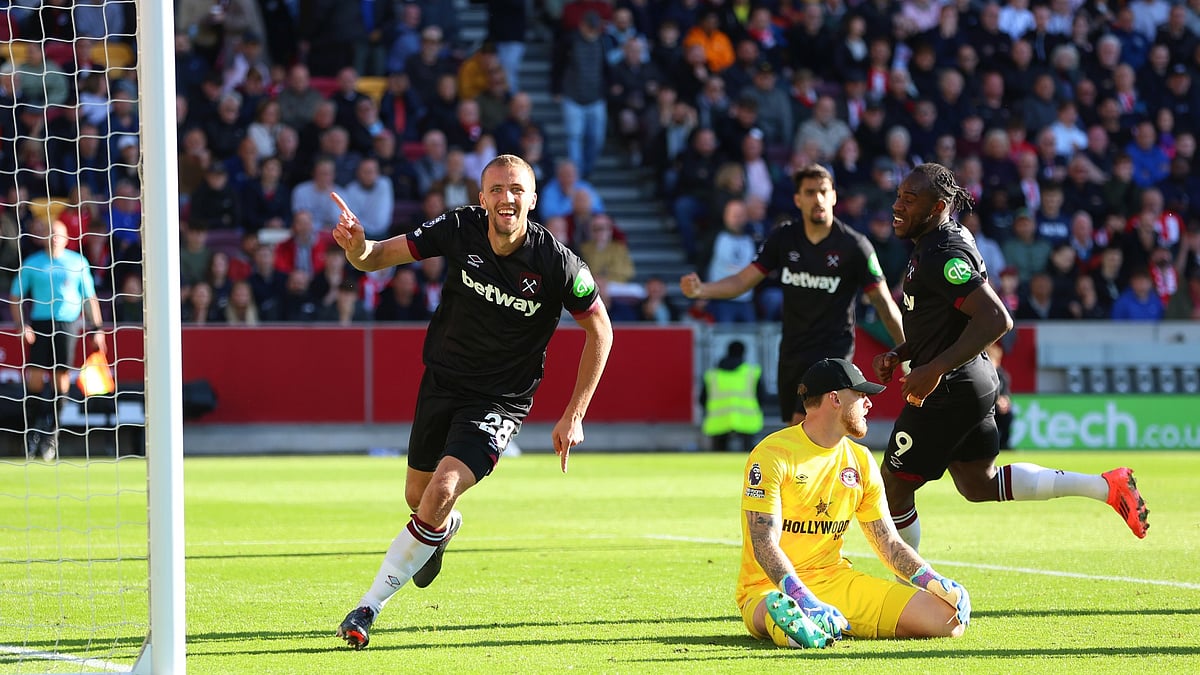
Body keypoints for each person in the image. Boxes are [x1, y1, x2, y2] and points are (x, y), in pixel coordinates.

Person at [329, 154, 613, 650]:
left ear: (533, 198)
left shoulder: (558, 263)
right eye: (497, 190)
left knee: (440, 489)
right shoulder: (459, 227)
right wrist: (358, 247)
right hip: (441, 383)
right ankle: (442, 529)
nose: (507, 198)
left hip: (501, 399)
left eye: (517, 189)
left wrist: (574, 414)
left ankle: (366, 608)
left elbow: (601, 331)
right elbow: (374, 258)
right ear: (482, 198)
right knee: (420, 500)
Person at [873, 163, 1149, 559]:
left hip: (950, 387)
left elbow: (997, 318)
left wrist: (933, 369)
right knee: (978, 483)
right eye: (899, 195)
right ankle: (1107, 487)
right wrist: (902, 352)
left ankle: (913, 586)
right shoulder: (938, 242)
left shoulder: (943, 252)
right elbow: (947, 322)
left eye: (909, 199)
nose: (897, 205)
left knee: (893, 487)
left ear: (937, 207)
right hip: (972, 379)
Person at [738, 358, 970, 649]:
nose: (868, 404)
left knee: (947, 620)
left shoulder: (861, 460)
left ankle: (808, 626)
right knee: (782, 612)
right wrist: (803, 597)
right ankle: (791, 625)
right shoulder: (772, 453)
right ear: (835, 398)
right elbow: (764, 542)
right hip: (769, 586)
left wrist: (933, 580)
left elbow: (888, 543)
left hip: (836, 581)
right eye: (861, 395)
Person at [680, 164, 905, 425]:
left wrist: (907, 355)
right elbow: (743, 280)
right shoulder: (784, 239)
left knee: (809, 424)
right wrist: (702, 289)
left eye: (823, 191)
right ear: (798, 199)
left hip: (833, 349)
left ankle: (846, 465)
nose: (818, 199)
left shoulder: (855, 246)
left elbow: (884, 303)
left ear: (833, 196)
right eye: (810, 192)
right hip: (792, 350)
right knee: (797, 429)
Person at [10, 220, 105, 461]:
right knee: (34, 377)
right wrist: (22, 325)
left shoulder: (78, 263)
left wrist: (97, 328)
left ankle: (52, 433)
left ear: (66, 238)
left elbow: (89, 297)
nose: (53, 238)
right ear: (42, 237)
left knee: (61, 377)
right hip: (40, 323)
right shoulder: (33, 264)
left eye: (58, 234)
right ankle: (32, 429)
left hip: (68, 323)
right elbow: (15, 296)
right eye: (49, 234)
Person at [700, 340, 764, 452]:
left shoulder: (712, 375)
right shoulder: (752, 373)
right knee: (749, 458)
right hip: (746, 420)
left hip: (718, 421)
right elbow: (762, 396)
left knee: (718, 456)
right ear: (743, 353)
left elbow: (702, 399)